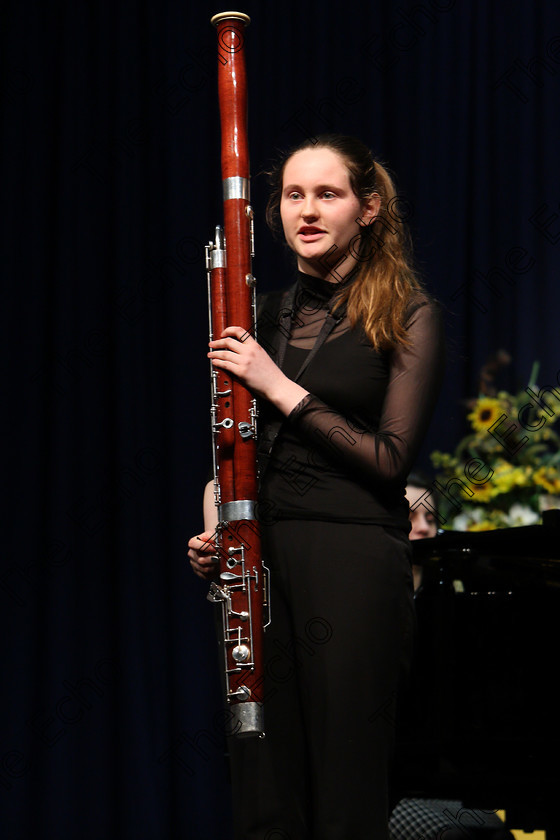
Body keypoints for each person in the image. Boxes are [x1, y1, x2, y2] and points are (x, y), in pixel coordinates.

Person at [188, 134, 445, 840]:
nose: (306, 210)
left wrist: (276, 384)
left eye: (327, 194)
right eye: (292, 195)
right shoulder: (261, 314)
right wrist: (216, 522)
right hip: (261, 561)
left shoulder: (409, 316)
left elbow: (391, 459)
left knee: (344, 782)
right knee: (263, 785)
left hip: (353, 560)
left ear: (368, 208)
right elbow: (233, 447)